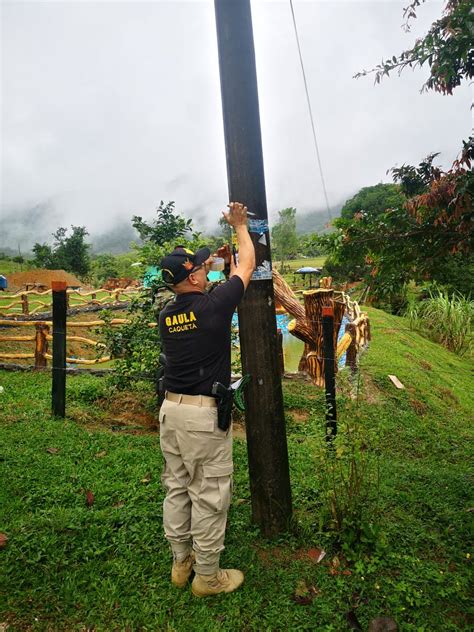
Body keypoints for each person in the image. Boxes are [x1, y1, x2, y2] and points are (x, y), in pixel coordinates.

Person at [158, 201, 256, 597]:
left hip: (171, 413)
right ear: (194, 277)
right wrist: (241, 226)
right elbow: (246, 266)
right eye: (199, 267)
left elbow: (218, 279)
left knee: (178, 487)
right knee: (209, 494)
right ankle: (208, 577)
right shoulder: (214, 308)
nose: (204, 269)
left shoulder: (167, 313)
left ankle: (181, 563)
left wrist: (215, 262)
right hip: (202, 418)